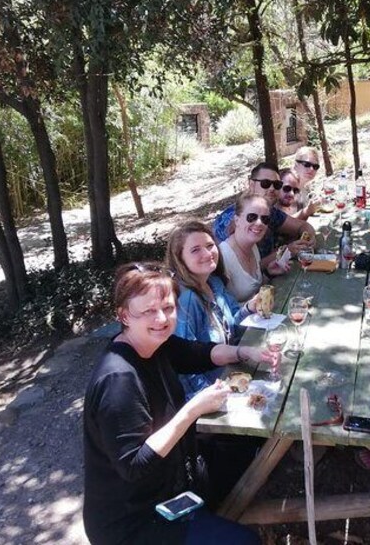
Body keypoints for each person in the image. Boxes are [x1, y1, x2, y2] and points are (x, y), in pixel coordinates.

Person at [83, 262, 277, 545]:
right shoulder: (119, 380)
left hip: (172, 483)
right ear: (124, 315)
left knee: (245, 448)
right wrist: (192, 410)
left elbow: (198, 354)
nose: (161, 319)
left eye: (168, 308)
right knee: (245, 541)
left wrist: (246, 351)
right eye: (148, 311)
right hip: (133, 519)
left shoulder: (155, 344)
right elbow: (134, 466)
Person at [166, 221, 255, 400]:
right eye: (195, 250)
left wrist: (249, 308)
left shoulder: (214, 282)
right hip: (214, 394)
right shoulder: (187, 300)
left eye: (209, 245)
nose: (207, 254)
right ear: (179, 258)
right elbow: (187, 367)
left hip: (235, 375)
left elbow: (232, 327)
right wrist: (214, 401)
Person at [212, 162, 314, 261]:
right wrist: (286, 251)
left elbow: (302, 226)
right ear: (251, 185)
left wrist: (309, 238)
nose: (272, 188)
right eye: (265, 183)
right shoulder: (236, 219)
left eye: (277, 185)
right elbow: (246, 271)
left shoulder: (270, 211)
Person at [219, 193, 290, 304]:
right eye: (252, 217)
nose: (259, 223)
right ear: (237, 220)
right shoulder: (223, 257)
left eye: (265, 219)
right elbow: (223, 312)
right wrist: (251, 306)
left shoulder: (253, 246)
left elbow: (253, 290)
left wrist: (268, 274)